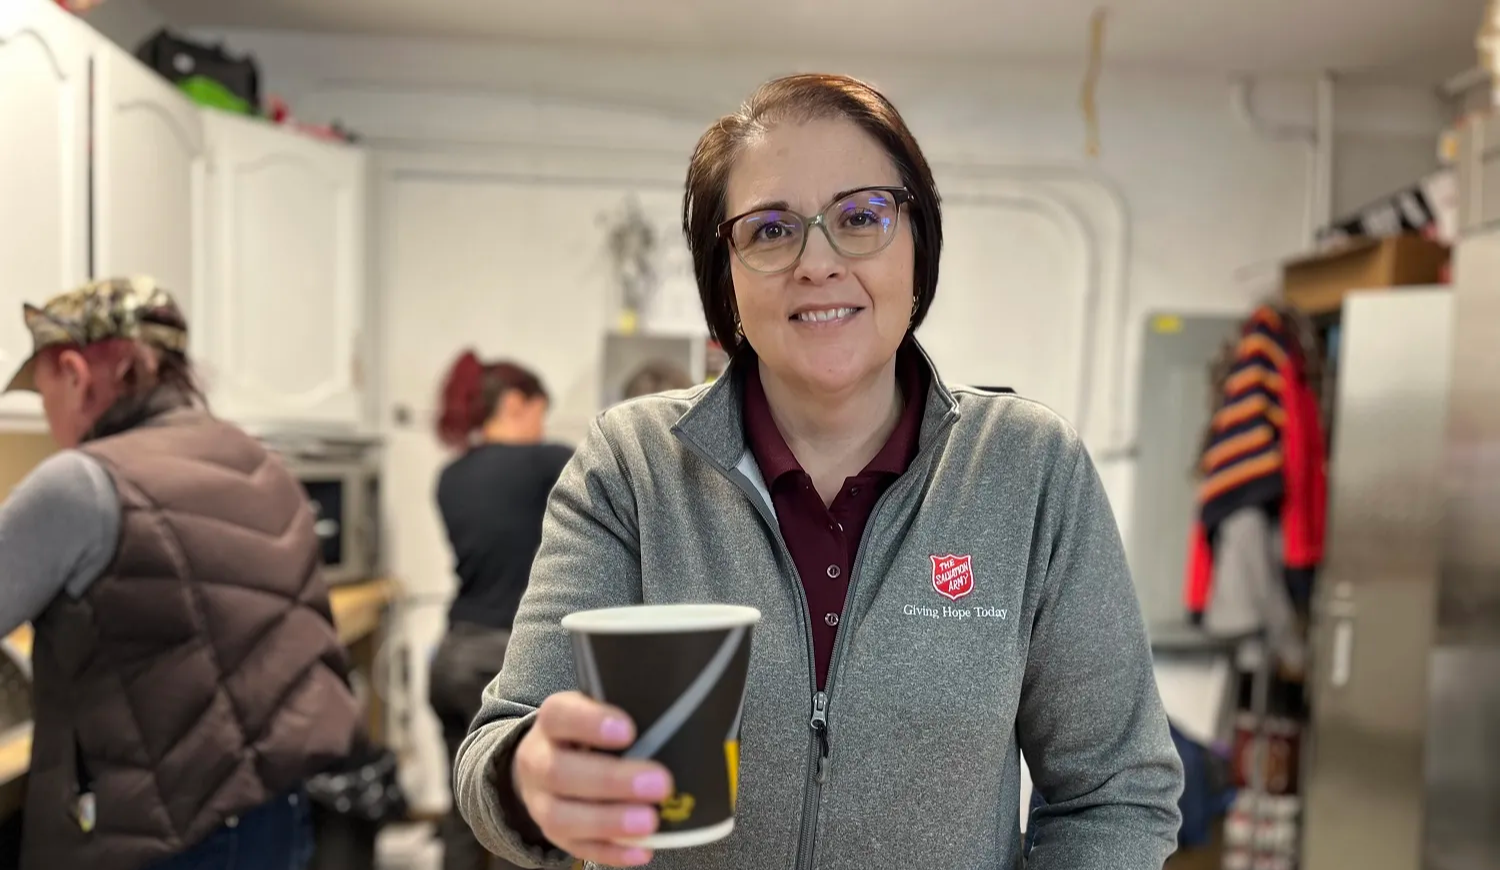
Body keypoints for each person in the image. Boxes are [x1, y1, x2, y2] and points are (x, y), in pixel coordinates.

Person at [453, 74, 1184, 870]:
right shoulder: (630, 467)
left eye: (862, 217)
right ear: (723, 273)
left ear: (918, 243)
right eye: (771, 231)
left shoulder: (1029, 470)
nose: (818, 262)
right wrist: (529, 783)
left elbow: (1116, 792)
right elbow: (497, 748)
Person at [0, 277, 358, 870]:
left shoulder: (82, 483)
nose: (48, 417)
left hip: (157, 839)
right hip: (276, 814)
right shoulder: (256, 459)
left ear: (75, 373)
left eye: (43, 397)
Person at [428, 352, 574, 870]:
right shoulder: (549, 462)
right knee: (519, 822)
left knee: (466, 809)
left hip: (451, 657)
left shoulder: (451, 476)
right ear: (515, 404)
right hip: (505, 661)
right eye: (539, 411)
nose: (542, 426)